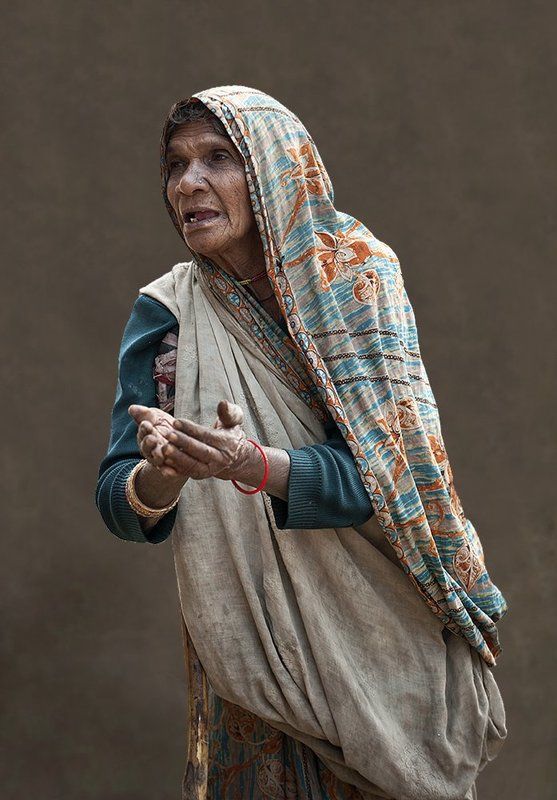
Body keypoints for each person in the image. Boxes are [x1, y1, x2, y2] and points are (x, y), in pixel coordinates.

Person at [96, 85, 508, 800]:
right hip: (255, 655)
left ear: (273, 169)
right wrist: (161, 477)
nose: (188, 183)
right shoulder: (167, 313)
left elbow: (399, 481)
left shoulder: (355, 284)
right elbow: (120, 501)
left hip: (386, 639)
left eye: (217, 158)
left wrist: (252, 465)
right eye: (175, 165)